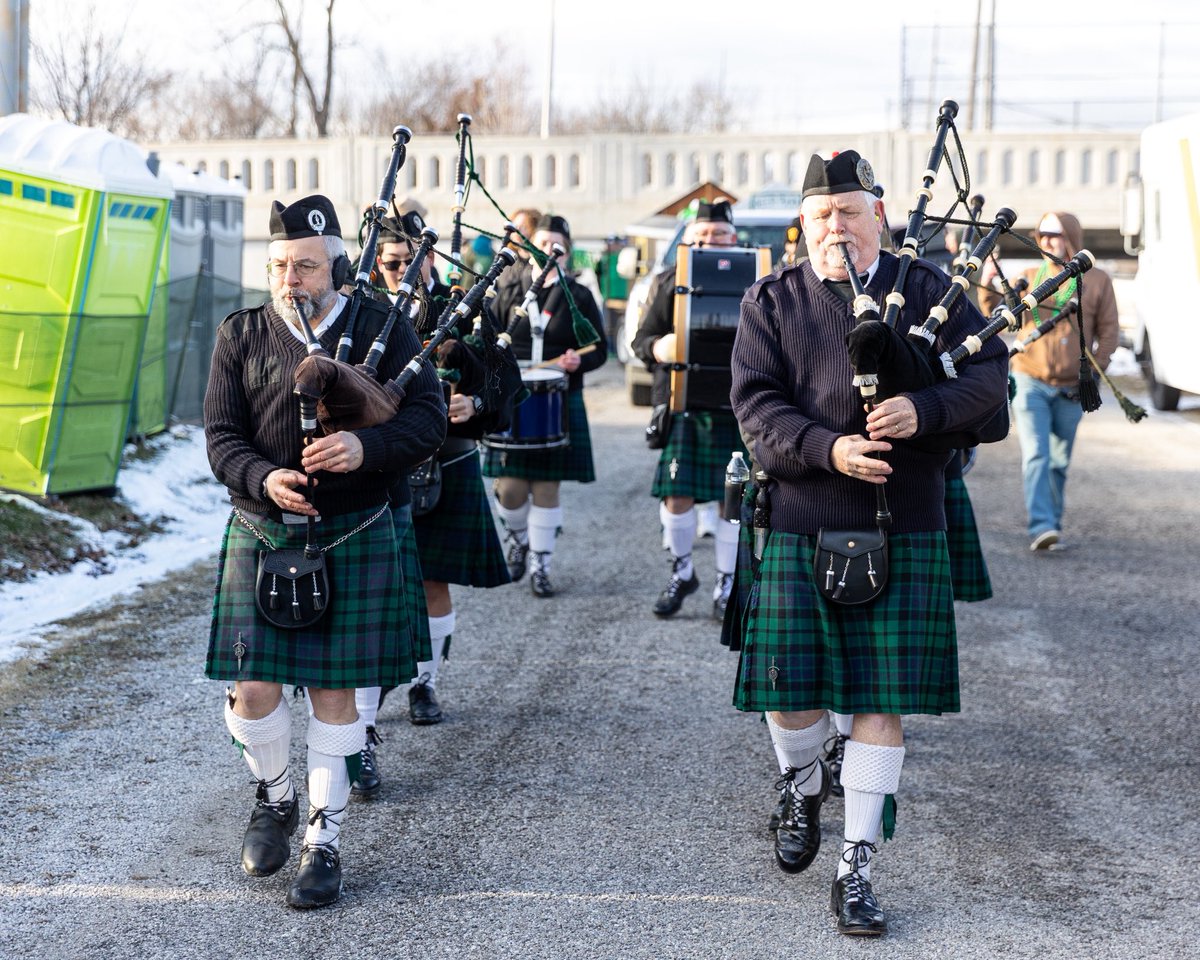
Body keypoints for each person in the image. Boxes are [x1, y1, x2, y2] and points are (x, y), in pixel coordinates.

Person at [729, 151, 1008, 936]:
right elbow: (756, 408)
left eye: (849, 212)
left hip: (905, 519)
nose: (836, 227)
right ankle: (803, 781)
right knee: (789, 693)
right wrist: (829, 448)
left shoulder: (930, 291)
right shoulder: (771, 300)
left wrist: (926, 410)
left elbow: (991, 381)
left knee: (882, 700)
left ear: (877, 215)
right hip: (801, 516)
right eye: (822, 215)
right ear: (803, 222)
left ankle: (856, 867)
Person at [204, 195, 445, 908]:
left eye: (306, 266)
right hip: (262, 528)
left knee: (335, 693)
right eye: (279, 265)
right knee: (252, 692)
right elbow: (221, 437)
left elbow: (428, 421)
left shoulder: (380, 326)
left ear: (336, 267)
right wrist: (262, 477)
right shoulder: (242, 334)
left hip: (352, 527)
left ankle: (324, 838)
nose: (291, 279)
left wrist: (367, 447)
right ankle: (275, 796)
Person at [369, 214, 521, 730]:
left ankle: (424, 682)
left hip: (448, 458)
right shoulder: (363, 307)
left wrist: (474, 402)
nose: (402, 271)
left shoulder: (463, 305)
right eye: (393, 263)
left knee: (433, 579)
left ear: (429, 257)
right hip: (379, 461)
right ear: (378, 262)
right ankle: (366, 696)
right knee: (376, 582)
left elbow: (505, 378)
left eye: (412, 260)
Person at [631, 199, 748, 620]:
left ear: (733, 239)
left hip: (738, 407)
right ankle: (682, 572)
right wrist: (658, 347)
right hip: (684, 405)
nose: (709, 241)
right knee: (676, 496)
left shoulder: (757, 278)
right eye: (701, 235)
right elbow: (641, 341)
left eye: (718, 235)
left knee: (731, 500)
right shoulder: (670, 279)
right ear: (689, 239)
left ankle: (726, 584)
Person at [483, 213, 608, 597]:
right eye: (542, 244)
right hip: (513, 394)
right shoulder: (508, 286)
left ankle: (541, 565)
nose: (549, 251)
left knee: (546, 487)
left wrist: (577, 362)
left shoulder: (578, 295)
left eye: (558, 246)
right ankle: (519, 539)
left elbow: (599, 349)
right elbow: (484, 339)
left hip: (557, 397)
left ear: (567, 251)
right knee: (510, 490)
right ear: (529, 247)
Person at [979, 212, 1120, 551]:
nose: (1047, 241)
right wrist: (989, 284)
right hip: (1030, 378)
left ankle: (1051, 524)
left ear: (1071, 237)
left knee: (1058, 461)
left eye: (1055, 234)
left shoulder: (1097, 280)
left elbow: (1109, 331)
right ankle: (1041, 525)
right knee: (1037, 454)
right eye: (1042, 235)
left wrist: (1094, 371)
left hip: (1072, 387)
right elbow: (997, 314)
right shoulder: (1030, 277)